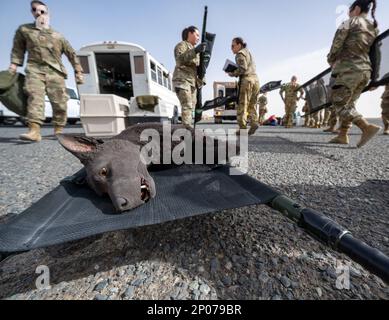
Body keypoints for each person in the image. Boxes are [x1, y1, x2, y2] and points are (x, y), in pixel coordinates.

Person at [9, 1, 84, 142]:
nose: (38, 13)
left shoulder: (58, 35)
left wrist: (78, 71)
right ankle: (34, 131)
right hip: (34, 70)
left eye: (42, 11)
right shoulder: (25, 30)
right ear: (31, 12)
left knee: (60, 103)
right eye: (34, 10)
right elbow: (18, 48)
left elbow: (71, 54)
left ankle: (59, 130)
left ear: (48, 13)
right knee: (34, 98)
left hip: (55, 72)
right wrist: (14, 64)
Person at [327, 0, 380, 147]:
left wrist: (331, 59)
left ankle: (366, 127)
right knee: (350, 104)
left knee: (339, 102)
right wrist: (375, 78)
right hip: (365, 71)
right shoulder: (374, 27)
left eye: (349, 10)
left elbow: (337, 42)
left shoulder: (349, 22)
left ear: (356, 9)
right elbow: (376, 54)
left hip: (348, 69)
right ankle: (343, 135)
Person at [172, 26, 206, 128]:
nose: (198, 38)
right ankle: (186, 133)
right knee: (187, 106)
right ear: (190, 34)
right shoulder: (182, 45)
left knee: (191, 108)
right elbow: (180, 59)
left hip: (192, 82)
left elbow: (198, 68)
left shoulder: (196, 51)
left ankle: (187, 130)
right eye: (197, 35)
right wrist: (195, 51)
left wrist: (202, 79)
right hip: (182, 81)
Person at [227, 37, 260, 135]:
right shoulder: (248, 52)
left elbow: (243, 69)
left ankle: (242, 128)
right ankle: (254, 122)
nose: (231, 48)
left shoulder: (240, 54)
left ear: (239, 44)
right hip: (256, 80)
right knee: (252, 105)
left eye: (233, 46)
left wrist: (232, 73)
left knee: (243, 105)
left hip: (247, 80)